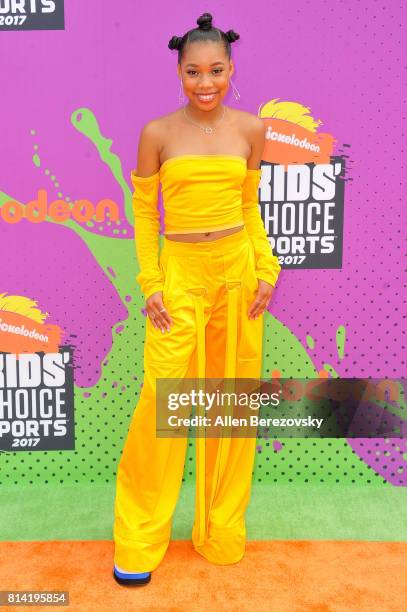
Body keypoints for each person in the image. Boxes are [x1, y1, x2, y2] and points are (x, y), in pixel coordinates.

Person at [113, 12, 281, 586]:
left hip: (237, 272)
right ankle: (138, 536)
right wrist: (151, 283)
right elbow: (143, 214)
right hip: (180, 273)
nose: (204, 82)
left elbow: (249, 208)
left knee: (229, 400)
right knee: (162, 402)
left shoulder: (252, 130)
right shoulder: (156, 133)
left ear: (231, 69)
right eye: (192, 71)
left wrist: (267, 267)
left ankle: (219, 527)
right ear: (178, 72)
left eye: (215, 70)